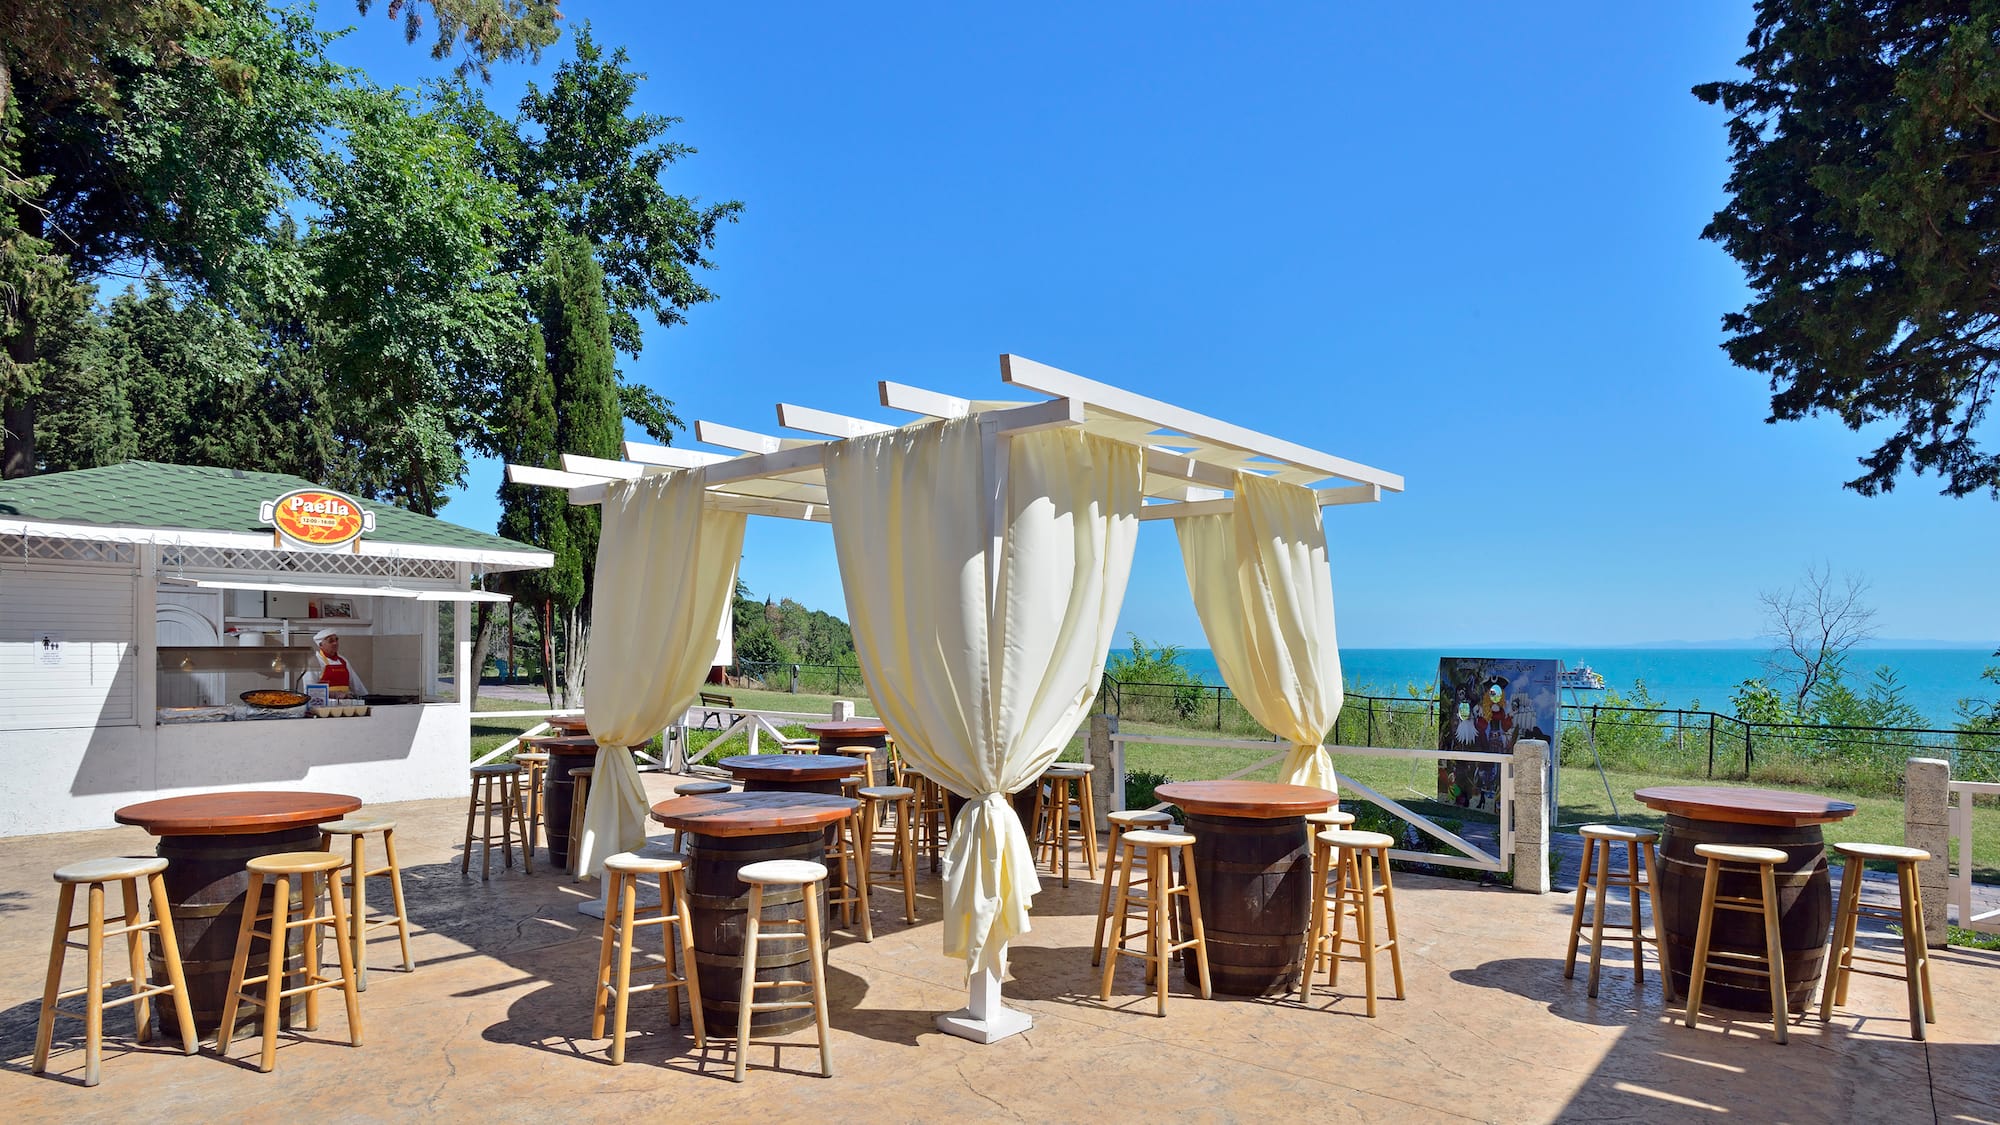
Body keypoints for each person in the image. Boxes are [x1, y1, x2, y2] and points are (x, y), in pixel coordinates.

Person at [303, 627, 367, 698]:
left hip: (346, 704)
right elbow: (310, 691)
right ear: (320, 645)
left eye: (336, 640)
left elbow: (357, 686)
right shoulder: (313, 662)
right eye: (331, 641)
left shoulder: (343, 661)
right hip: (324, 705)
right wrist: (333, 694)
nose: (335, 643)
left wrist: (366, 698)